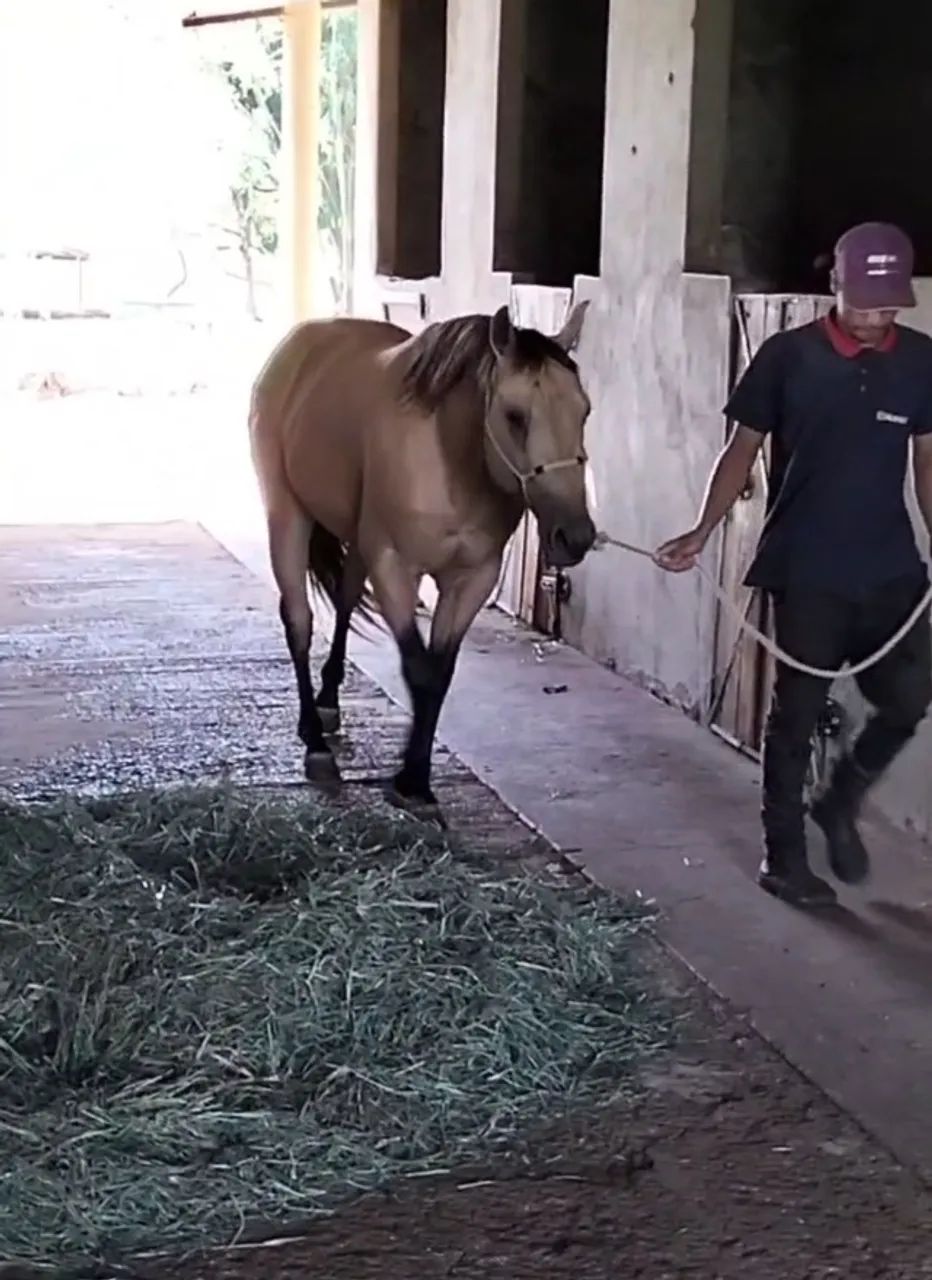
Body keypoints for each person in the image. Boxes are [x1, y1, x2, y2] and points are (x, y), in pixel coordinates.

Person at [656, 222, 932, 908]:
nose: (877, 319)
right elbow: (740, 451)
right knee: (796, 714)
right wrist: (702, 530)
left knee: (909, 698)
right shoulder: (787, 358)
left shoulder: (921, 362)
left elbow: (928, 461)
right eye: (865, 303)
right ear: (833, 286)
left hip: (891, 565)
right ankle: (784, 859)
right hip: (806, 565)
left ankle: (839, 800)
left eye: (890, 305)